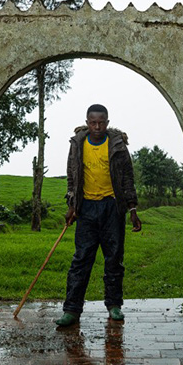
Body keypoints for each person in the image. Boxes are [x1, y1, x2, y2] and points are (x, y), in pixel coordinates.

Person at [55, 104, 142, 327]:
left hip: (112, 208)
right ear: (86, 122)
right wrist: (72, 205)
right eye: (93, 122)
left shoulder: (117, 144)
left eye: (101, 122)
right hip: (86, 210)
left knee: (113, 258)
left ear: (107, 122)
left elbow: (127, 177)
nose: (97, 126)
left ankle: (114, 306)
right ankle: (72, 310)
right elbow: (72, 177)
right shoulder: (77, 144)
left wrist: (132, 210)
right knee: (81, 259)